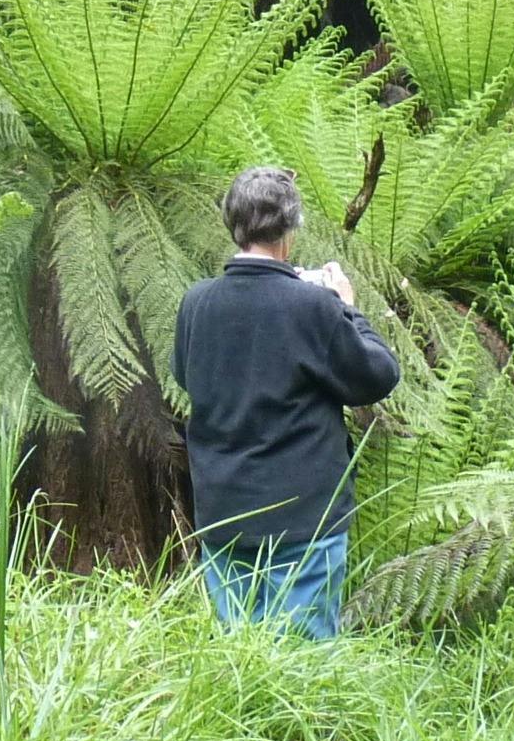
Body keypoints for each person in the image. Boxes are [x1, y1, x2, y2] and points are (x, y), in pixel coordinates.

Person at [172, 165, 401, 639]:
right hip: (303, 524)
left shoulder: (196, 303)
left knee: (238, 663)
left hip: (222, 516)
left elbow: (184, 375)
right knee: (303, 669)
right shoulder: (313, 306)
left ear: (233, 226)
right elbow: (377, 375)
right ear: (291, 230)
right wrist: (346, 307)